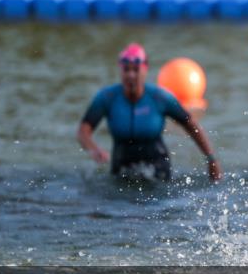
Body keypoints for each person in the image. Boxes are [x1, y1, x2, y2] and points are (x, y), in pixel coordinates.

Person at [78, 43, 222, 182]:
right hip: (121, 170)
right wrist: (94, 150)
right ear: (120, 71)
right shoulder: (107, 98)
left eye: (135, 69)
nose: (131, 75)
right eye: (126, 70)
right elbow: (83, 132)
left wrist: (211, 159)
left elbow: (190, 124)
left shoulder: (160, 98)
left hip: (157, 171)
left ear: (145, 70)